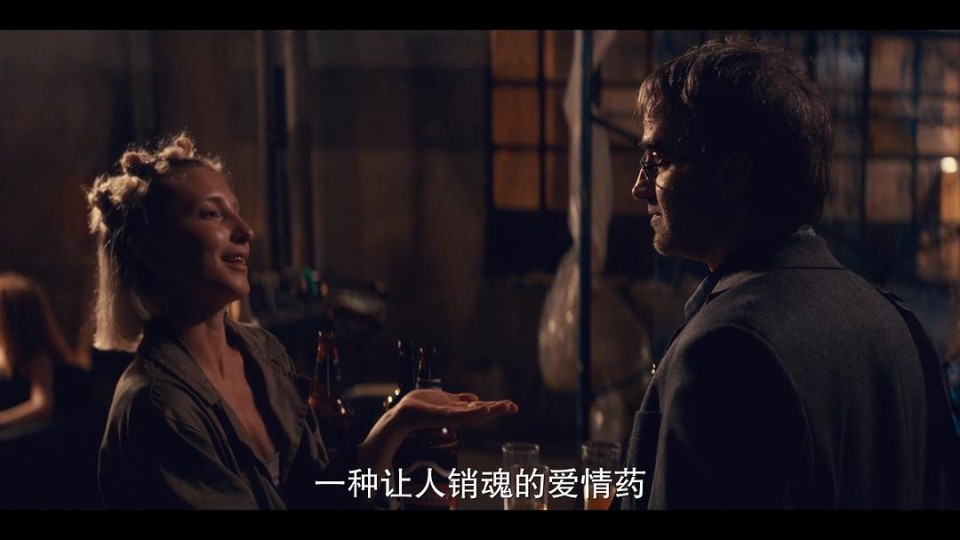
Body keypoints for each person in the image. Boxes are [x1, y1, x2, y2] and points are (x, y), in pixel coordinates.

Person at [88, 133, 517, 509]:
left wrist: (398, 422)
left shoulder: (263, 354)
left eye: (237, 211)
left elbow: (319, 495)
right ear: (149, 248)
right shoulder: (158, 408)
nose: (245, 230)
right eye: (211, 214)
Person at [619, 37, 958, 510]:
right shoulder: (899, 325)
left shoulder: (726, 350)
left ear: (732, 175)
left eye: (658, 161)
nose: (639, 188)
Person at [0, 273, 75, 430]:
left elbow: (42, 406)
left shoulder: (37, 357)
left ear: (15, 316)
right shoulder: (4, 352)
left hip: (24, 437)